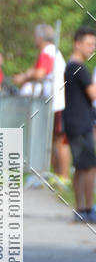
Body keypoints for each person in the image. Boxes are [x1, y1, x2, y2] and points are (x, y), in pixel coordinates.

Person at [13, 24, 69, 180]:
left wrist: (24, 77)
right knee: (53, 141)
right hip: (56, 102)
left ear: (40, 37)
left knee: (58, 141)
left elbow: (40, 73)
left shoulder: (48, 51)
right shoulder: (52, 51)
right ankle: (56, 176)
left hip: (56, 103)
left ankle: (63, 177)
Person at [63, 27, 96, 222]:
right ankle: (87, 209)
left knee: (80, 167)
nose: (92, 48)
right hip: (81, 123)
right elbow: (93, 94)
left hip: (74, 122)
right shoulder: (79, 68)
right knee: (90, 167)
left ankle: (81, 208)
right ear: (77, 44)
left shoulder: (70, 66)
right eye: (89, 44)